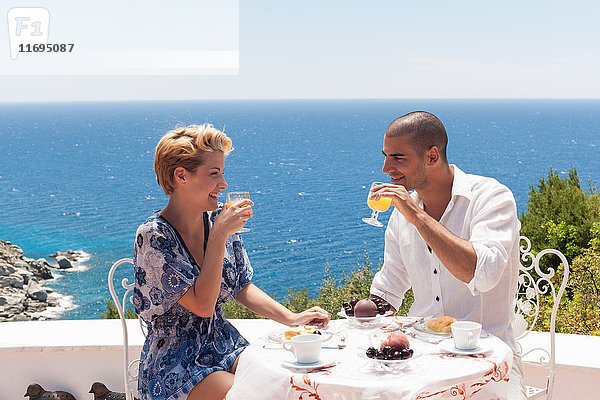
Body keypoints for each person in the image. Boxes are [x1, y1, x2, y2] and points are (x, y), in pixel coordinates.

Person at [133, 124, 330, 400]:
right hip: (176, 364)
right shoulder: (155, 236)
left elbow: (240, 286)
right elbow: (203, 305)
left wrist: (292, 318)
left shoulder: (217, 222)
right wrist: (219, 237)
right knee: (255, 395)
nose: (223, 184)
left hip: (224, 344)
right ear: (181, 176)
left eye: (222, 173)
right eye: (214, 174)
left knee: (290, 385)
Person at [368, 111, 525, 399]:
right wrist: (355, 313)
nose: (385, 167)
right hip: (419, 361)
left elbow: (482, 273)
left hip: (487, 365)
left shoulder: (491, 197)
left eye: (398, 158)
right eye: (385, 156)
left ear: (431, 156)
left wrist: (416, 216)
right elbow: (389, 286)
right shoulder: (402, 214)